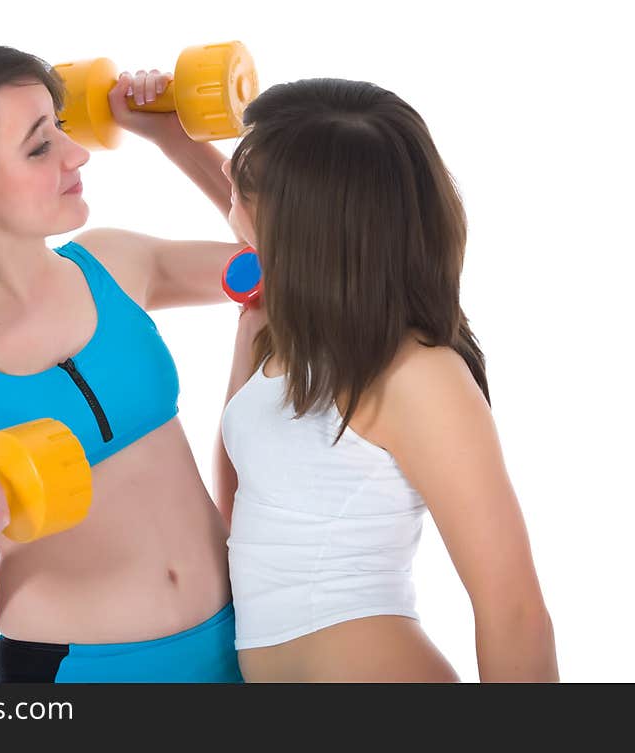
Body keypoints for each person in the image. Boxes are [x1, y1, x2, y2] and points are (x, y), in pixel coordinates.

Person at [0, 41, 247, 682]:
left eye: (59, 128)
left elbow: (282, 270)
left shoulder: (115, 264)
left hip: (240, 642)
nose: (77, 153)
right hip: (78, 674)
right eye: (39, 147)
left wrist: (175, 141)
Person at [213, 78, 559, 682]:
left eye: (243, 182)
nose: (228, 187)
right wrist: (163, 134)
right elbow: (241, 504)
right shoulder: (295, 339)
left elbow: (514, 611)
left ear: (303, 220)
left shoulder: (417, 376)